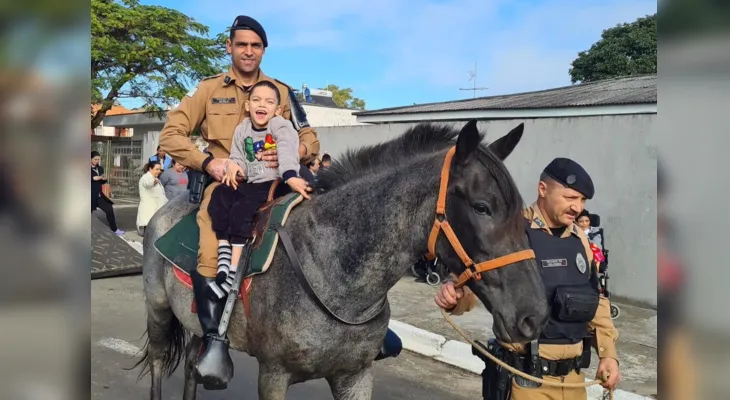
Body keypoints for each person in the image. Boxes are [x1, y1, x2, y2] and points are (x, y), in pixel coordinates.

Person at [158, 15, 399, 388]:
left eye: (255, 46)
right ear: (230, 48)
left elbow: (310, 138)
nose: (248, 51)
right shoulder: (207, 91)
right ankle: (215, 340)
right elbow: (171, 135)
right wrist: (211, 162)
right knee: (211, 245)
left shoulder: (281, 92)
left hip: (280, 183)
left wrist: (294, 151)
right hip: (231, 182)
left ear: (263, 50)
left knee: (337, 229)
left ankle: (365, 328)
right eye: (241, 44)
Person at [434, 158, 621, 400]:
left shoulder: (580, 240)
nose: (578, 207)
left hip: (574, 381)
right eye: (570, 198)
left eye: (582, 200)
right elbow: (475, 286)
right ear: (542, 189)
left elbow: (595, 298)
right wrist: (455, 296)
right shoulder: (512, 231)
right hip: (526, 381)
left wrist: (608, 354)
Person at [207, 81, 310, 295]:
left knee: (241, 209)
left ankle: (233, 274)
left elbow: (287, 150)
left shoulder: (280, 126)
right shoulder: (243, 129)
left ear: (278, 109)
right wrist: (234, 166)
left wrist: (290, 175)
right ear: (247, 105)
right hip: (252, 182)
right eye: (256, 100)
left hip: (274, 182)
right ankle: (224, 252)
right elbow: (240, 157)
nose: (262, 105)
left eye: (269, 101)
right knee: (219, 195)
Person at [91, 151, 124, 235]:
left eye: (98, 159)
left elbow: (101, 181)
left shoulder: (100, 168)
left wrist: (104, 179)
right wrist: (94, 178)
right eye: (95, 159)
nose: (97, 161)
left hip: (98, 195)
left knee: (109, 208)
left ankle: (114, 229)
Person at [136, 160, 168, 235]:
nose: (159, 171)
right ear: (150, 169)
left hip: (155, 209)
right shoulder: (146, 177)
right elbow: (148, 183)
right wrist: (153, 182)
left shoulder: (154, 178)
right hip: (149, 210)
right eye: (156, 169)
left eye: (159, 169)